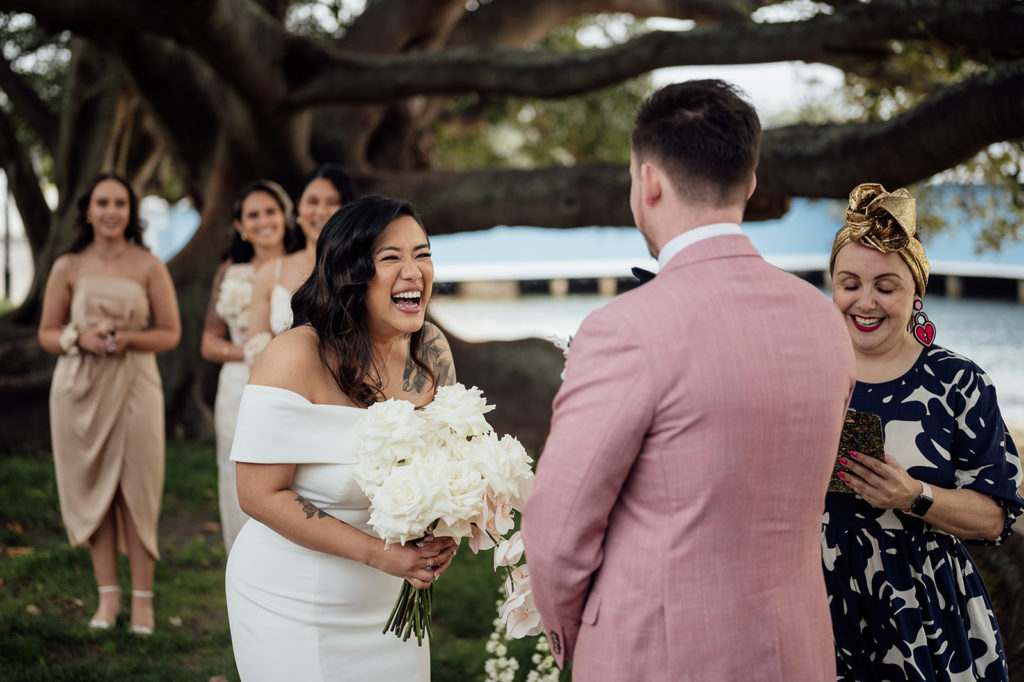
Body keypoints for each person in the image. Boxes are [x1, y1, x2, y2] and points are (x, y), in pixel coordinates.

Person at [521, 79, 857, 681]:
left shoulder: (625, 328)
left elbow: (557, 529)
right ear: (749, 184)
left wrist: (577, 636)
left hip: (659, 659)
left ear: (648, 181)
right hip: (799, 653)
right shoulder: (824, 320)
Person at [224, 195, 458, 681]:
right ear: (350, 273)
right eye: (391, 257)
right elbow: (257, 494)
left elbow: (452, 458)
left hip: (390, 605)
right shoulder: (294, 355)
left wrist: (447, 528)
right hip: (292, 600)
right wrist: (380, 555)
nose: (413, 271)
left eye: (423, 254)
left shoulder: (431, 350)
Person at [823, 182, 1023, 681]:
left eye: (885, 287)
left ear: (917, 293)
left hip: (922, 614)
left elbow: (996, 518)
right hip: (816, 605)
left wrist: (915, 495)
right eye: (850, 284)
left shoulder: (959, 382)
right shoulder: (802, 373)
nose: (865, 301)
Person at [37, 172, 181, 635]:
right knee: (94, 487)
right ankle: (108, 598)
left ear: (130, 211)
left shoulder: (149, 265)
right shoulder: (68, 266)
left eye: (120, 203)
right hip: (80, 389)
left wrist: (127, 339)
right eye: (102, 202)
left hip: (136, 384)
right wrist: (79, 337)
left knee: (136, 488)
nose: (111, 211)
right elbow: (47, 333)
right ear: (87, 210)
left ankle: (143, 601)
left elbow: (170, 333)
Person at [200, 180, 302, 552]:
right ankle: (240, 555)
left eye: (270, 212)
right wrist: (248, 352)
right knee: (236, 474)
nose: (263, 221)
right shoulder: (230, 271)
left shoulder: (303, 264)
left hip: (292, 383)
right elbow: (209, 342)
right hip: (236, 386)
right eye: (253, 215)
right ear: (240, 225)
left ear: (285, 217)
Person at [245, 164, 358, 361]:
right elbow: (257, 350)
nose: (321, 211)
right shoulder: (270, 272)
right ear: (299, 207)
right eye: (312, 201)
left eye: (332, 202)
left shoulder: (361, 270)